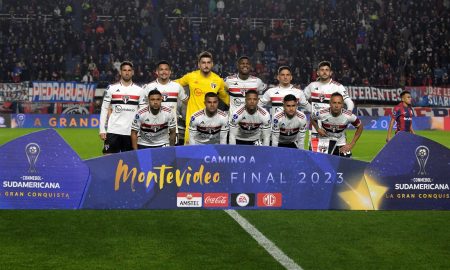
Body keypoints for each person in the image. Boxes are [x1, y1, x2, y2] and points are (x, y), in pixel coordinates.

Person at [176, 51, 229, 144]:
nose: (206, 65)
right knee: (189, 153)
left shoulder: (217, 80)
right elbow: (175, 84)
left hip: (211, 122)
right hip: (192, 122)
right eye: (203, 63)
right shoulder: (191, 76)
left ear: (212, 64)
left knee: (210, 153)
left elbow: (225, 98)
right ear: (199, 64)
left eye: (208, 62)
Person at [304, 61, 354, 152]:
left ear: (331, 72)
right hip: (316, 129)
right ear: (318, 72)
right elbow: (302, 100)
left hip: (334, 127)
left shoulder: (338, 87)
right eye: (322, 70)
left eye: (327, 70)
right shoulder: (312, 86)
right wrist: (311, 110)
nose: (324, 72)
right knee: (316, 157)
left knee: (338, 157)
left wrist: (348, 113)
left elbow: (349, 102)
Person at [99, 61, 146, 154]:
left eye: (129, 70)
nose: (127, 72)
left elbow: (143, 112)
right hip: (113, 130)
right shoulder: (111, 89)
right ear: (120, 72)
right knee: (108, 159)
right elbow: (104, 108)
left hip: (131, 132)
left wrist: (142, 131)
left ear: (132, 72)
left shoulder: (140, 91)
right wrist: (102, 129)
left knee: (130, 164)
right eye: (124, 70)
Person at [143, 60, 188, 142]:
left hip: (172, 130)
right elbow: (142, 107)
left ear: (170, 72)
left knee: (171, 154)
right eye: (161, 69)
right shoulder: (149, 87)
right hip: (152, 129)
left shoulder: (177, 87)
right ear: (157, 72)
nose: (164, 72)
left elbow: (188, 103)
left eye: (166, 69)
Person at [310, 92, 363, 157]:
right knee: (322, 165)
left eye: (339, 103)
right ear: (330, 104)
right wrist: (318, 129)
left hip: (341, 143)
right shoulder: (322, 113)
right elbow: (312, 117)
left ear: (342, 105)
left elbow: (360, 126)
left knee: (346, 165)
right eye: (334, 102)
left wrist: (352, 143)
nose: (336, 106)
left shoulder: (348, 116)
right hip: (325, 142)